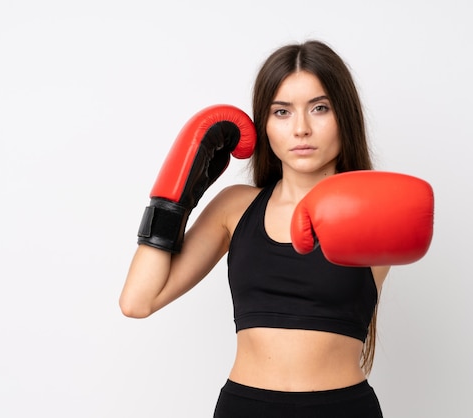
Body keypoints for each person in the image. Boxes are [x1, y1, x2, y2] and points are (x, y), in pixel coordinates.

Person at [120, 40, 434, 417]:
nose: (301, 128)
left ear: (344, 116)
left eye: (320, 108)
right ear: (264, 124)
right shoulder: (235, 208)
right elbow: (138, 301)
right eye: (282, 112)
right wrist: (174, 199)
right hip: (245, 408)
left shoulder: (375, 207)